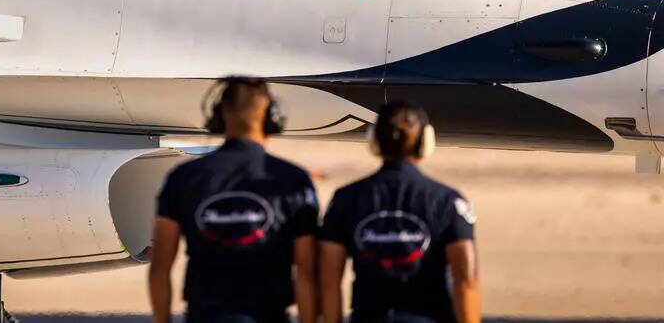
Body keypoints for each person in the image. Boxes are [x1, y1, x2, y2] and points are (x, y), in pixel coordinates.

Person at [148, 77, 318, 323]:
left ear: (219, 115)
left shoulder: (183, 178)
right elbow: (307, 274)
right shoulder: (294, 180)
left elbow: (160, 269)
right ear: (270, 117)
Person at [318, 101, 480, 323]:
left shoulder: (345, 199)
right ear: (426, 142)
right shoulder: (449, 202)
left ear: (374, 141)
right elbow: (465, 279)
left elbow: (329, 280)